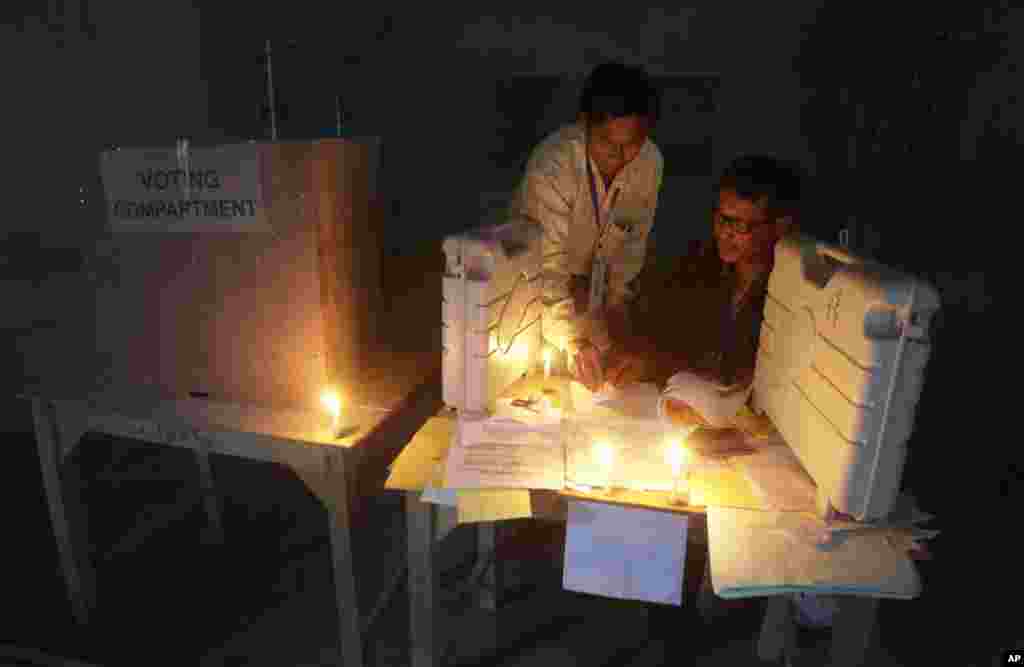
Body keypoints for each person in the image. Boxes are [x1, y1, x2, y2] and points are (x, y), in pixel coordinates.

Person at [603, 154, 803, 418]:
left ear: (780, 226)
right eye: (721, 219)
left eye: (740, 225)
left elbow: (744, 378)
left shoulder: (790, 298)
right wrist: (644, 361)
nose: (725, 233)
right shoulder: (701, 269)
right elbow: (670, 335)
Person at [508, 62, 664, 391]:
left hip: (594, 297)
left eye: (632, 143)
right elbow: (546, 268)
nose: (621, 156)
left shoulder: (649, 162)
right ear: (584, 124)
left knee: (605, 382)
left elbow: (632, 248)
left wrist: (619, 318)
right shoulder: (553, 166)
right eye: (609, 143)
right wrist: (573, 340)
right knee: (537, 382)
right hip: (536, 294)